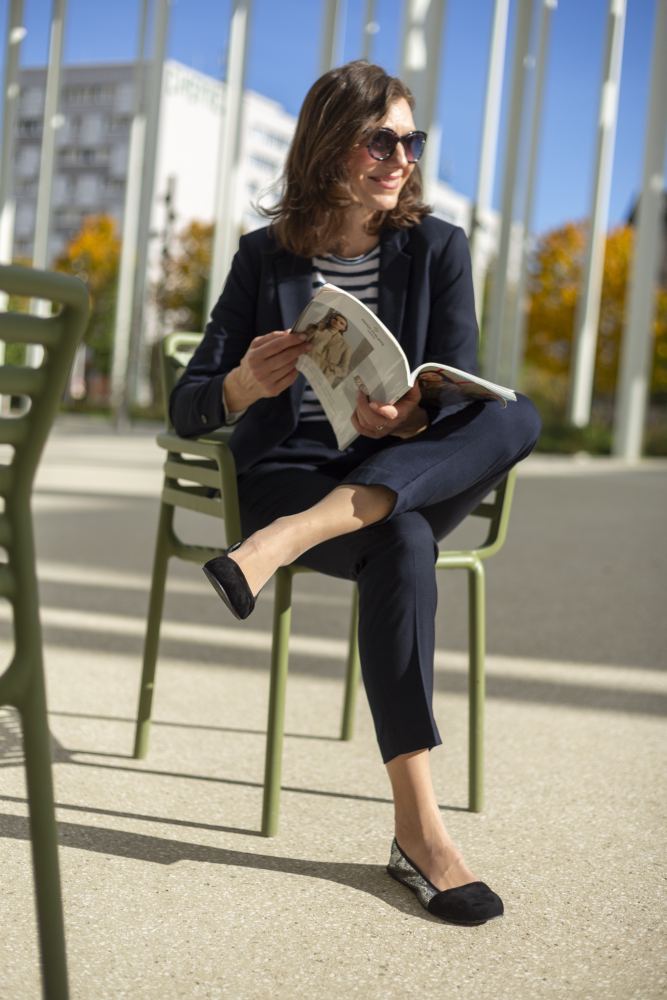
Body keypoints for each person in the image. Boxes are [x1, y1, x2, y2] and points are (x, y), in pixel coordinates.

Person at [171, 60, 541, 926]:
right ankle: (421, 835)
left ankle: (283, 544)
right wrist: (242, 388)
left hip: (387, 469)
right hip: (291, 471)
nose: (400, 156)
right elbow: (188, 406)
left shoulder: (439, 247)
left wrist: (407, 419)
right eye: (382, 139)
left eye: (411, 140)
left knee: (516, 416)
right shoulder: (263, 258)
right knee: (404, 540)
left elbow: (458, 396)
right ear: (329, 144)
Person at [301, 309, 353, 385]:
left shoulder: (345, 346)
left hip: (323, 379)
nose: (337, 322)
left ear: (344, 329)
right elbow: (303, 341)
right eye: (335, 319)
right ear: (331, 319)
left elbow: (343, 371)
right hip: (304, 367)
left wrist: (329, 367)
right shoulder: (317, 330)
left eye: (341, 323)